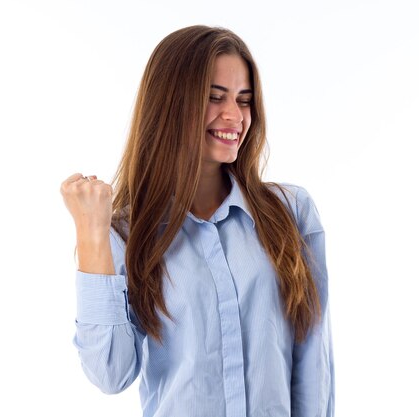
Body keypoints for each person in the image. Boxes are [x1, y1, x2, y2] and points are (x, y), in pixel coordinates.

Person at [60, 25, 334, 417]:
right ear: (172, 103)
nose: (235, 116)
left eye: (244, 100)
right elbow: (110, 373)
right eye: (214, 98)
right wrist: (91, 233)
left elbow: (313, 362)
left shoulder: (291, 212)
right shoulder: (126, 235)